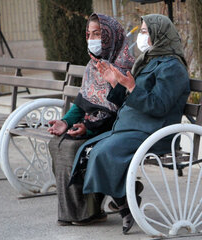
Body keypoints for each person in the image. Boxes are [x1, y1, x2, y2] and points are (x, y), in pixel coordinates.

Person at [69, 14, 190, 234]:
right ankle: (126, 200)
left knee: (101, 153)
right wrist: (116, 84)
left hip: (154, 132)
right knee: (89, 150)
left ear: (159, 34)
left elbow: (159, 105)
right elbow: (128, 100)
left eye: (145, 32)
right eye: (141, 31)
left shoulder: (172, 67)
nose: (141, 36)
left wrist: (132, 87)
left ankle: (125, 206)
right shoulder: (150, 60)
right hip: (133, 127)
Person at [47, 13, 134, 226]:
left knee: (71, 147)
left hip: (116, 128)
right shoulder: (92, 65)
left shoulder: (124, 67)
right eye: (89, 34)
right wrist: (65, 122)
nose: (91, 39)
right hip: (92, 124)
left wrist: (88, 128)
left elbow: (120, 111)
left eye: (97, 34)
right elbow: (82, 102)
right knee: (57, 142)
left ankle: (87, 211)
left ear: (110, 36)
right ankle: (79, 210)